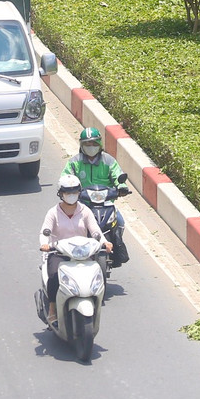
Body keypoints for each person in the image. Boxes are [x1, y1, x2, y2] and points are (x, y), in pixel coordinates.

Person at [39, 174, 111, 323]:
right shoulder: (53, 213)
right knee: (54, 276)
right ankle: (53, 308)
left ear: (79, 192)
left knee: (96, 276)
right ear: (60, 193)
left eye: (74, 192)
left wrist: (105, 242)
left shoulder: (85, 211)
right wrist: (45, 244)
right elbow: (45, 232)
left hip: (83, 253)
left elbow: (95, 231)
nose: (71, 195)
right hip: (60, 253)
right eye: (67, 192)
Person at [63, 128, 128, 263]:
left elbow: (117, 174)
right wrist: (67, 188)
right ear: (81, 145)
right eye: (87, 144)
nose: (91, 147)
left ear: (100, 144)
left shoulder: (109, 160)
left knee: (120, 221)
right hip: (82, 204)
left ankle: (117, 251)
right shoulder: (75, 162)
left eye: (94, 143)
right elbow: (65, 177)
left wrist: (122, 187)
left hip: (106, 203)